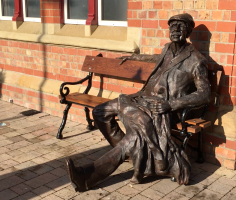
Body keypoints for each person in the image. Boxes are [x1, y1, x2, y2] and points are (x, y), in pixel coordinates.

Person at [66, 13, 211, 192]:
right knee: (100, 112)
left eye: (181, 26)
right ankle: (133, 153)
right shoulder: (167, 49)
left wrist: (171, 105)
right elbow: (154, 59)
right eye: (172, 26)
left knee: (134, 137)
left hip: (162, 109)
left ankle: (87, 176)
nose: (175, 30)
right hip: (142, 99)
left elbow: (205, 94)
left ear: (188, 31)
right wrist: (134, 57)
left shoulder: (196, 60)